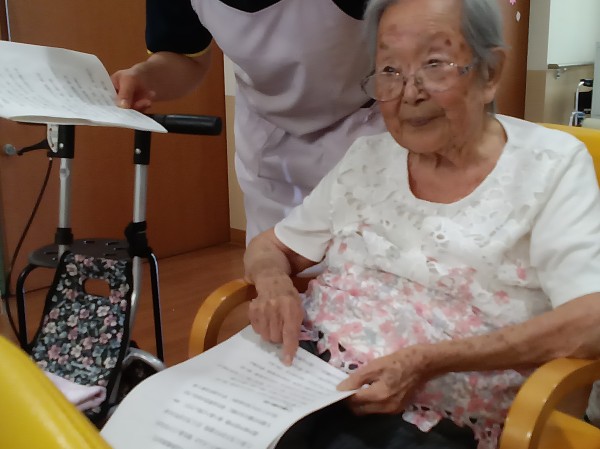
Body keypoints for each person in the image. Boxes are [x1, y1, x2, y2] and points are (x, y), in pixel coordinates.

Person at [243, 0, 600, 448]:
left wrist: (429, 361)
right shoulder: (366, 157)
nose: (409, 92)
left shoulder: (551, 165)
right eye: (390, 70)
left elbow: (590, 321)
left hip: (437, 410)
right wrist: (274, 284)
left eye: (435, 64)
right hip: (310, 377)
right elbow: (270, 247)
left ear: (490, 73)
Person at [111, 0, 386, 242]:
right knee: (272, 269)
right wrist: (146, 77)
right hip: (268, 145)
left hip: (370, 131)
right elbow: (181, 55)